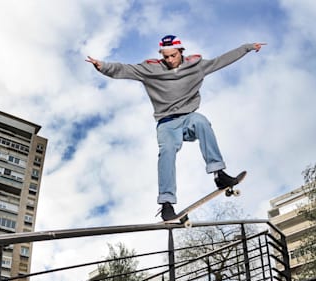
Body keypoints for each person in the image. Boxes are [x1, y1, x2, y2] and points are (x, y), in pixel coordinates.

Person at [86, 35, 265, 221]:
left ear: (181, 51)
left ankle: (219, 173)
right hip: (166, 123)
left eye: (173, 55)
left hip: (188, 118)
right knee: (167, 151)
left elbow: (221, 61)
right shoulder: (151, 69)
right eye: (166, 57)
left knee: (202, 121)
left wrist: (247, 47)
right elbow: (125, 69)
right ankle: (166, 203)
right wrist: (102, 66)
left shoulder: (197, 66)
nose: (170, 60)